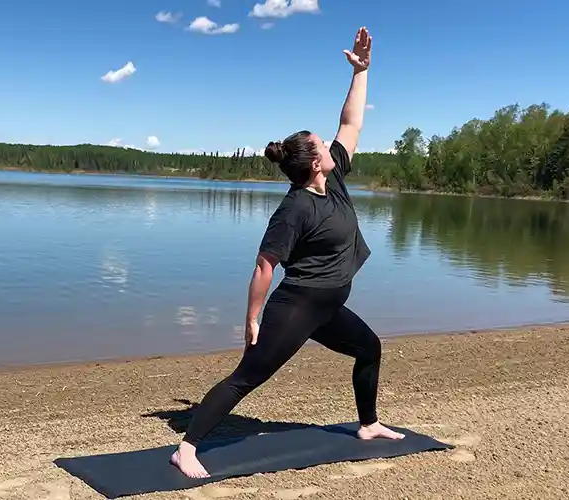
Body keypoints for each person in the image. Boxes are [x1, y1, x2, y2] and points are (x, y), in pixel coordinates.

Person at [170, 26, 401, 479]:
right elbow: (264, 264)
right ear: (315, 162)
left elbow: (351, 123)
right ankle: (188, 446)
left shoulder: (331, 178)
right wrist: (254, 316)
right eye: (322, 143)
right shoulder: (294, 208)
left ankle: (369, 425)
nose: (330, 143)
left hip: (329, 305)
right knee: (249, 376)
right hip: (297, 307)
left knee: (369, 348)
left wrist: (361, 73)